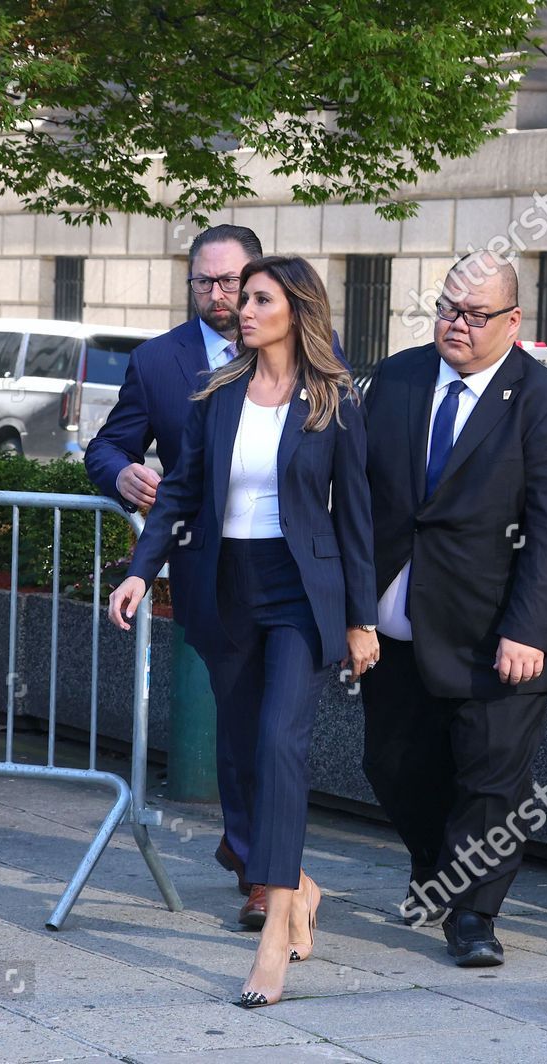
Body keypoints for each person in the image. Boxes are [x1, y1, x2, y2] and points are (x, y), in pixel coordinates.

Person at [107, 256, 377, 1008]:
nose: (241, 309)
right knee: (245, 753)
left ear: (295, 309)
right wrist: (141, 569)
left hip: (301, 592)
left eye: (258, 298)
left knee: (281, 745)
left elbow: (356, 517)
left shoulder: (333, 398)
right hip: (229, 588)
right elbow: (182, 491)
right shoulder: (219, 394)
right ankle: (299, 888)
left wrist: (361, 618)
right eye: (241, 297)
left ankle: (272, 938)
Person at [359, 251, 547, 967]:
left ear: (514, 321)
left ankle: (473, 917)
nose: (454, 324)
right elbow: (364, 496)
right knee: (391, 767)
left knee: (491, 782)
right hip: (398, 628)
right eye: (446, 308)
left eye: (473, 314)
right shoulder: (397, 377)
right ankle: (437, 869)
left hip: (499, 636)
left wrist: (525, 628)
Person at [84, 224, 268, 918]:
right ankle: (256, 859)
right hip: (207, 569)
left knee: (275, 722)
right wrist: (122, 473)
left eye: (231, 282)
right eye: (204, 281)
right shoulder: (160, 361)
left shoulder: (303, 347)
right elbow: (106, 446)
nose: (218, 295)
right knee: (243, 715)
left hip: (292, 570)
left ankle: (260, 863)